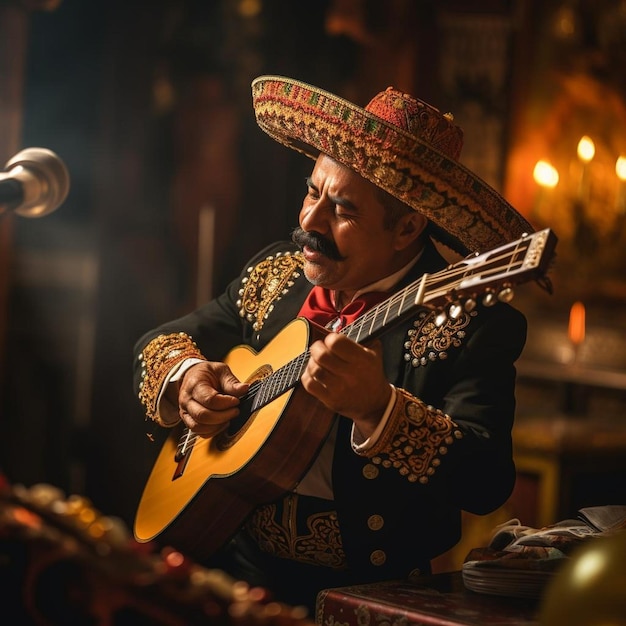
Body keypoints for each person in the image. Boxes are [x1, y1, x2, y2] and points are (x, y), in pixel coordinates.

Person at [133, 75, 537, 614]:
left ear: (407, 227)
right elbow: (159, 341)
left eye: (342, 210)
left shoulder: (477, 324)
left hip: (371, 594)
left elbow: (487, 480)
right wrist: (187, 378)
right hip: (233, 572)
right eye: (311, 190)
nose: (309, 221)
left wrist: (379, 410)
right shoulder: (277, 274)